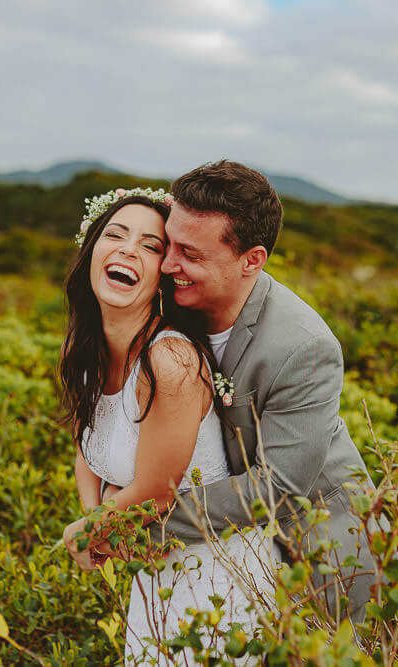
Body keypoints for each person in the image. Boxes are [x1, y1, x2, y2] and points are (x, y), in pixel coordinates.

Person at [149, 160, 385, 624]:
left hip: (321, 552)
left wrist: (144, 524)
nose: (167, 264)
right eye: (168, 243)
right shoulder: (171, 296)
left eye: (190, 255)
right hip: (219, 552)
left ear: (251, 260)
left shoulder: (304, 347)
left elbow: (280, 486)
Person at [58, 188, 280, 665]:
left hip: (215, 573)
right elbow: (87, 452)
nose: (127, 250)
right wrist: (96, 518)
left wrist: (86, 531)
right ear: (92, 250)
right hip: (151, 566)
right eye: (115, 235)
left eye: (150, 246)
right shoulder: (86, 350)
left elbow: (157, 492)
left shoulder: (170, 360)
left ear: (163, 276)